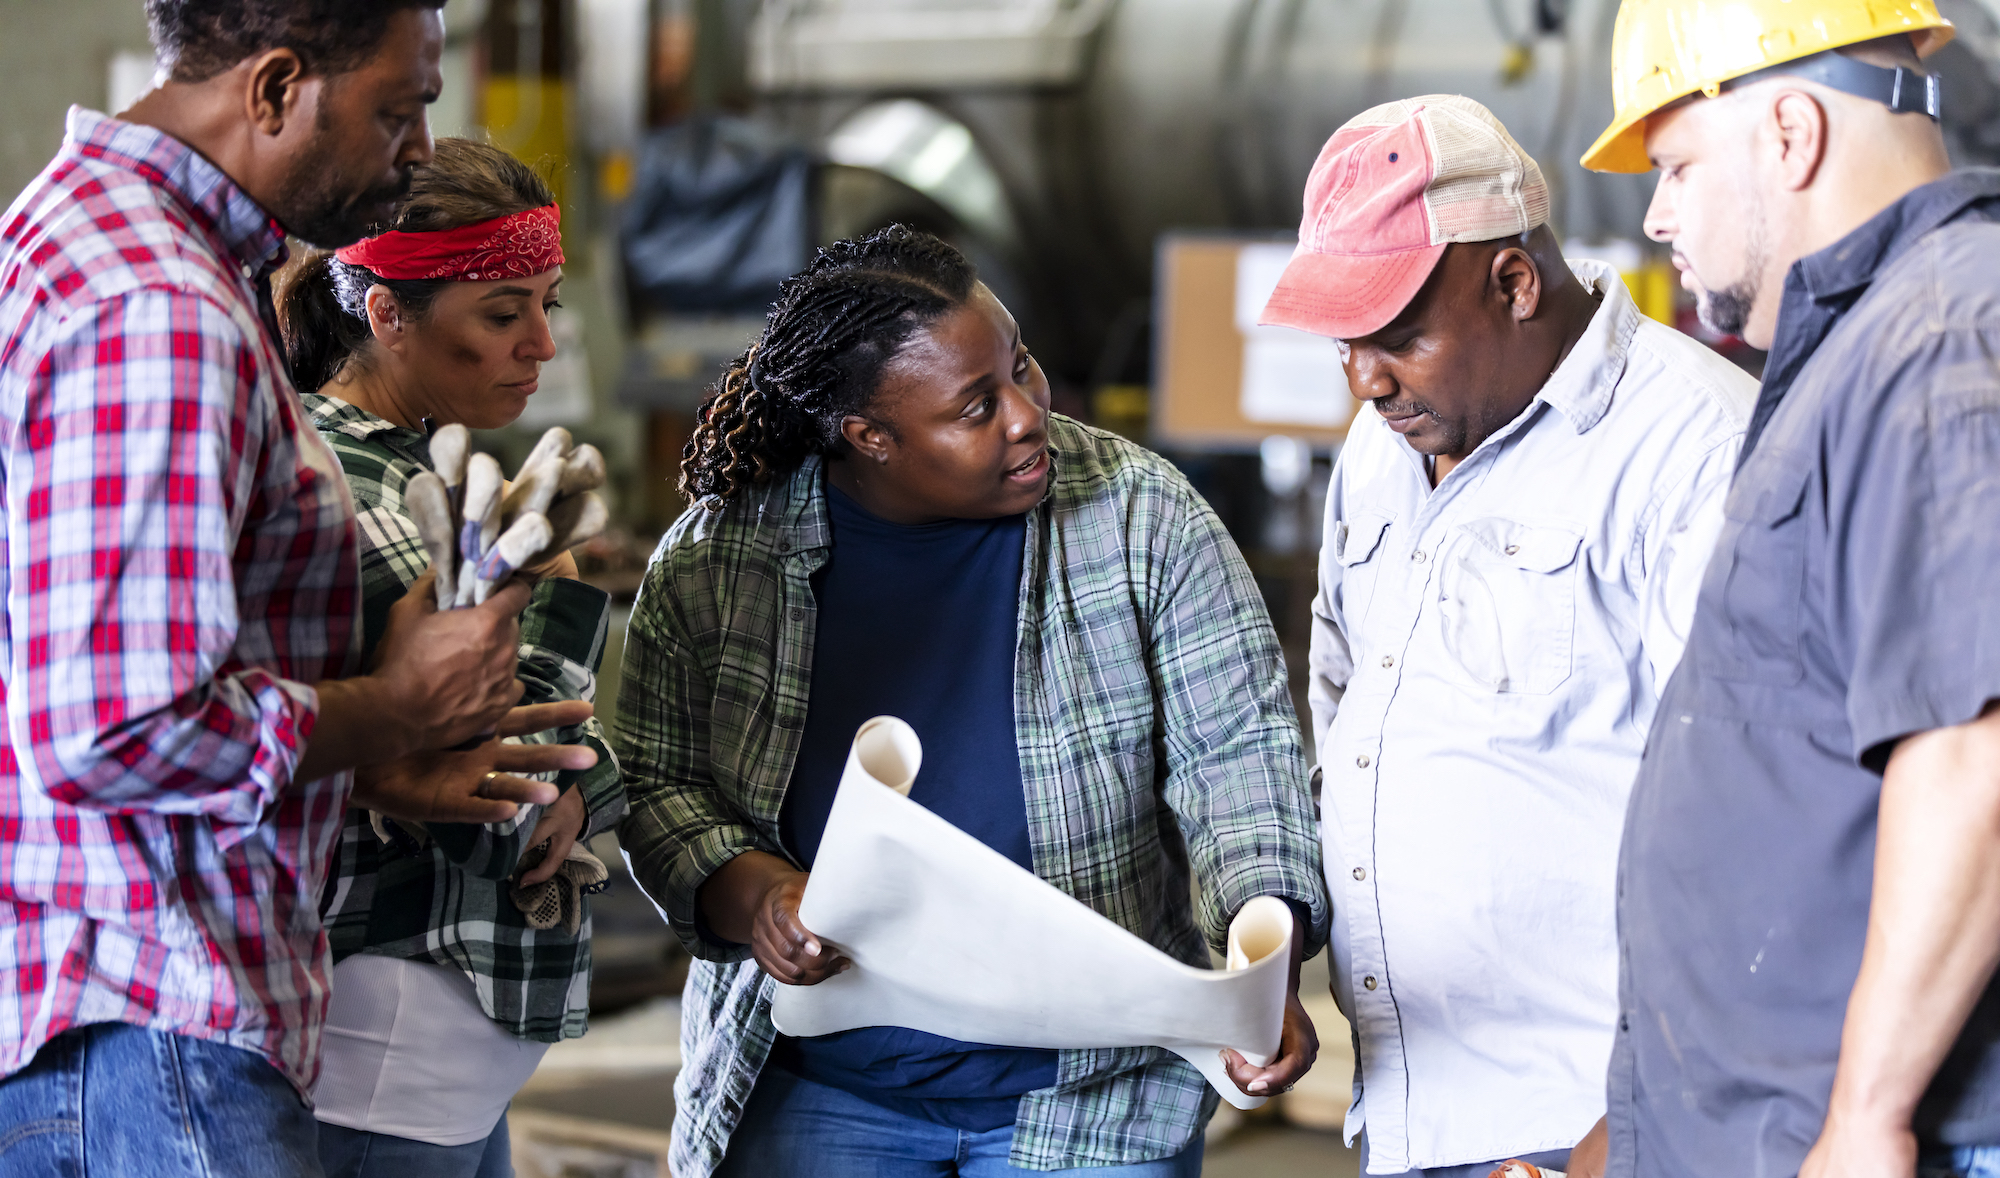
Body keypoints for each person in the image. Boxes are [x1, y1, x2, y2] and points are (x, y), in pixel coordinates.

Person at [0, 5, 595, 1175]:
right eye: (397, 108)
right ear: (275, 87)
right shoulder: (157, 307)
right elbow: (117, 725)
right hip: (159, 1009)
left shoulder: (76, 235)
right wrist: (398, 707)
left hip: (127, 1005)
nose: (419, 147)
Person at [613, 224, 1330, 1178]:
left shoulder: (1140, 516)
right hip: (819, 1089)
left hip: (1091, 1097)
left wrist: (1256, 943)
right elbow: (658, 781)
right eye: (974, 407)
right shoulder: (722, 558)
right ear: (870, 437)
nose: (1028, 414)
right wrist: (757, 897)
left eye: (1022, 367)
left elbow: (1237, 754)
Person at [1256, 95, 1757, 1178]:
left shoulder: (1690, 451)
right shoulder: (1382, 447)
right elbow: (1345, 716)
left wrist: (1628, 1131)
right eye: (1347, 345)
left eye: (1395, 338)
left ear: (1514, 283)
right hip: (1407, 1111)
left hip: (1589, 1122)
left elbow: (1752, 831)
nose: (1364, 378)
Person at [1576, 1, 2000, 1175]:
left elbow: (1971, 748)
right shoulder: (1863, 347)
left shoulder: (1936, 336)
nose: (1653, 211)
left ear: (1791, 134)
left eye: (1671, 166)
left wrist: (1867, 1115)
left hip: (1870, 1136)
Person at [274, 137, 627, 1178]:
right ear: (387, 313)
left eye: (546, 305)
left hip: (433, 1054)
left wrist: (587, 776)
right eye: (501, 311)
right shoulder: (368, 505)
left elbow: (552, 774)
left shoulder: (401, 474)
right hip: (383, 1048)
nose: (541, 346)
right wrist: (561, 599)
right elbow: (509, 818)